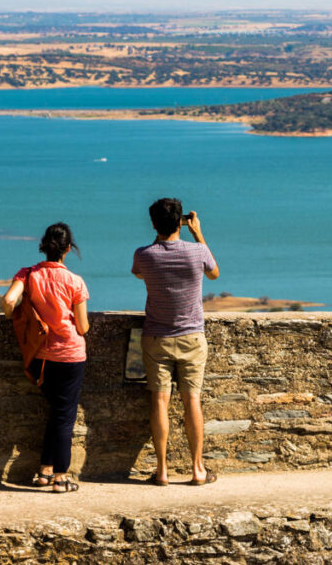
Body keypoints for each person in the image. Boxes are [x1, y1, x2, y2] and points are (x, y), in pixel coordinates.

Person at [131, 198, 220, 486]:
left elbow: (138, 272)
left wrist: (159, 235)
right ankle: (197, 469)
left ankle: (162, 471)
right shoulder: (198, 251)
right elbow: (214, 272)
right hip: (192, 336)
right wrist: (197, 234)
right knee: (192, 399)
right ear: (182, 220)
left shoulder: (144, 254)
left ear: (154, 224)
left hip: (157, 336)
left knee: (160, 400)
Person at [2, 222, 89, 493]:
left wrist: (14, 318)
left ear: (44, 246)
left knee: (56, 414)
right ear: (67, 249)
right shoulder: (75, 281)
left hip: (40, 355)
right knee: (65, 417)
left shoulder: (28, 274)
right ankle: (62, 477)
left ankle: (44, 471)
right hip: (70, 355)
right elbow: (83, 327)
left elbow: (8, 301)